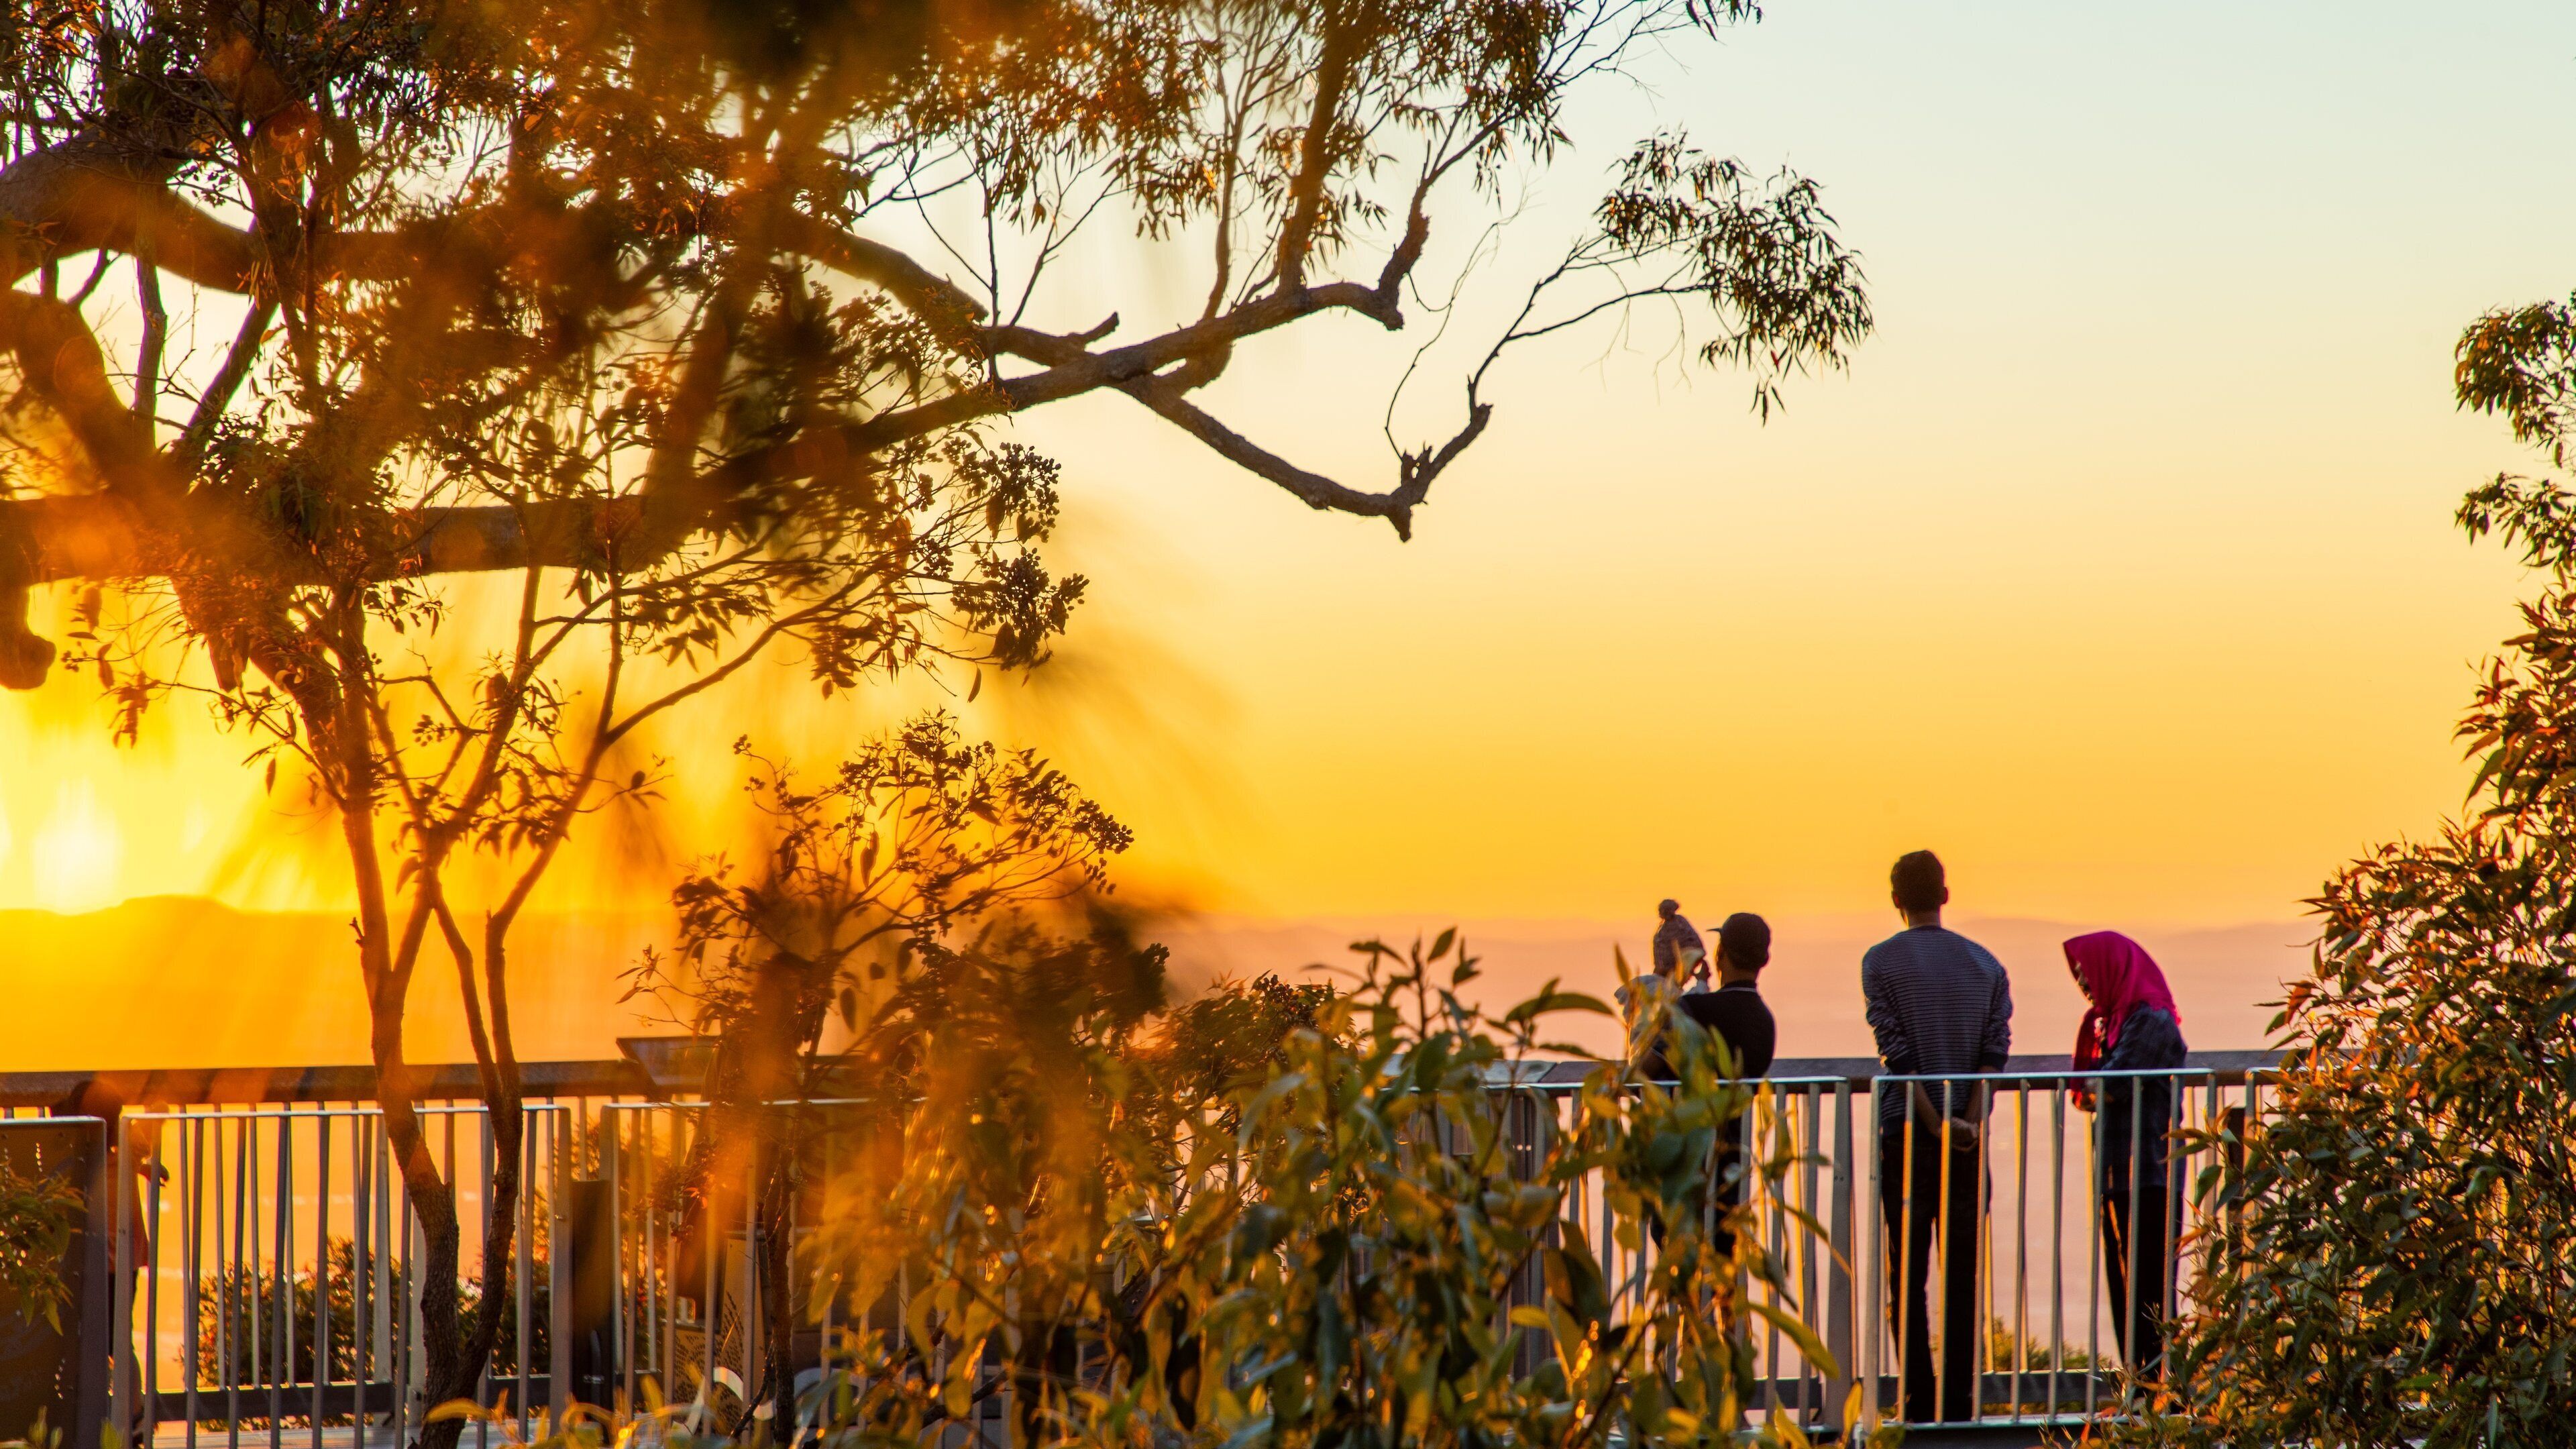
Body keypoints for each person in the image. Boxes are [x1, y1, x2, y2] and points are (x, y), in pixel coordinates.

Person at [1861, 850, 2012, 1425]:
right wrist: (1970, 1122)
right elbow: (1993, 1055)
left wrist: (1932, 1123)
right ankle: (1960, 1407)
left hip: (1906, 1136)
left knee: (1909, 1274)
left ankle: (1918, 1408)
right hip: (1969, 1143)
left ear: (1895, 898)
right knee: (1962, 1276)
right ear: (1945, 896)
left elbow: (1897, 1056)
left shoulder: (1879, 963)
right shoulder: (1986, 963)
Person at [2065, 930, 2187, 1388]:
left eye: (2087, 974)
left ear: (2112, 969)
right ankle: (2141, 1385)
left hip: (2150, 1170)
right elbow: (2093, 1093)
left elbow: (2108, 1086)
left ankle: (2162, 1390)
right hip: (2121, 1170)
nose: (2084, 985)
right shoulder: (2114, 1023)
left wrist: (2096, 1081)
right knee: (2124, 1287)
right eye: (2078, 977)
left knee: (2149, 1288)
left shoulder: (2149, 1019)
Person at [1677, 912, 1778, 1255]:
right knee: (1724, 1260)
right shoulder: (1765, 1021)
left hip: (1689, 1159)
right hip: (1735, 1163)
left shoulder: (1694, 1008)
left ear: (1720, 955)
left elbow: (1649, 1064)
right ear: (1764, 959)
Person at [1653, 899, 1712, 991]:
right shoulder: (1669, 999)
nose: (1691, 975)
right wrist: (1702, 983)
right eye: (1692, 968)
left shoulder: (1647, 992)